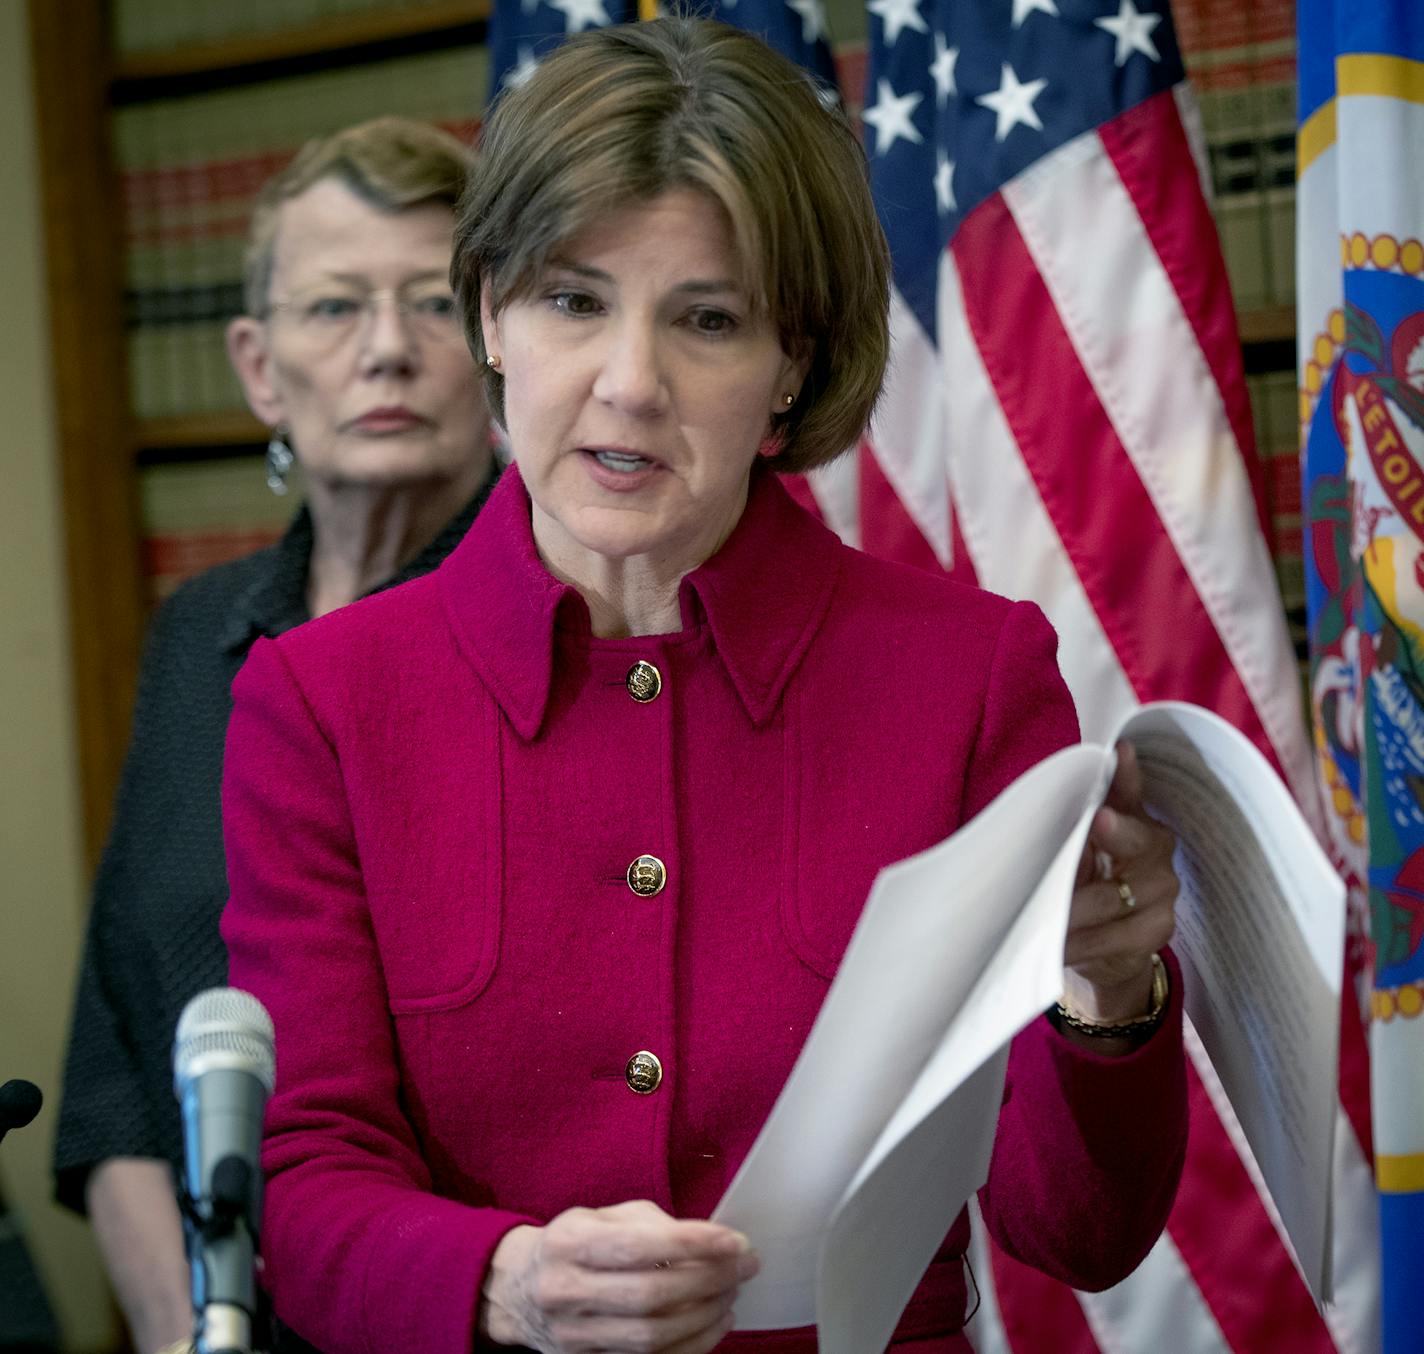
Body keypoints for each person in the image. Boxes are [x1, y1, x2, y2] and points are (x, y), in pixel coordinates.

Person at [221, 21, 1187, 1354]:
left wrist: (1107, 997)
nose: (629, 383)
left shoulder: (973, 676)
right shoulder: (320, 701)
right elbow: (307, 1181)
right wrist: (505, 1277)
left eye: (708, 319)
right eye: (573, 301)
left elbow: (1076, 1229)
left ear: (793, 364)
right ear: (490, 313)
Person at [53, 115, 499, 1354]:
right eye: (333, 309)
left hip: (467, 1313)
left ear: (503, 347)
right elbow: (116, 1046)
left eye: (432, 304)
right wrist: (188, 1318)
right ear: (258, 368)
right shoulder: (200, 634)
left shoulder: (570, 638)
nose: (386, 353)